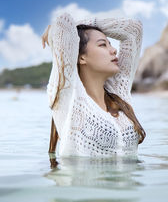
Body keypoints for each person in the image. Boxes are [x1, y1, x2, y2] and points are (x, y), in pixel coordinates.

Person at [41, 12, 146, 157]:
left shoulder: (119, 92)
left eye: (110, 44)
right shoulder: (69, 95)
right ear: (81, 57)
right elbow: (63, 23)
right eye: (103, 45)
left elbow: (134, 30)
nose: (114, 50)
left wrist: (82, 27)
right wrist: (61, 32)